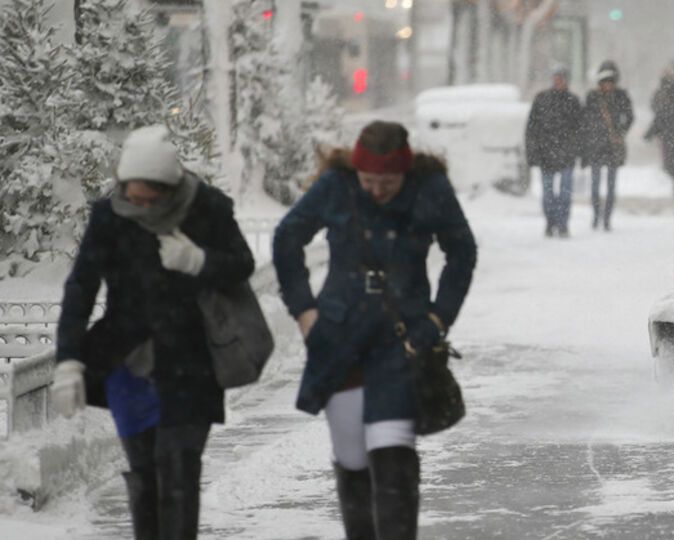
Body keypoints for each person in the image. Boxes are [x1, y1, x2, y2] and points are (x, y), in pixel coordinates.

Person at [272, 121, 477, 539]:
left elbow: (462, 251)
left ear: (405, 171)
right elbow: (286, 238)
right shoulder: (336, 185)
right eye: (368, 180)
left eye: (387, 182)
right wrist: (306, 314)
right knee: (352, 461)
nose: (376, 191)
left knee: (394, 457)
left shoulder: (429, 188)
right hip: (339, 338)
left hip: (403, 340)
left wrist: (439, 319)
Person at [51, 125, 255, 539]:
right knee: (145, 476)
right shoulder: (109, 215)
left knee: (179, 472)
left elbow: (242, 264)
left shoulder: (207, 208)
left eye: (150, 199)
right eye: (132, 196)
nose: (140, 206)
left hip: (193, 361)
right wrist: (69, 360)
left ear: (171, 187)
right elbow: (81, 285)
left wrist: (199, 260)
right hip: (129, 362)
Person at [525, 65, 582, 238]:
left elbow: (581, 129)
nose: (559, 82)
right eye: (556, 78)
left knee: (564, 194)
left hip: (566, 155)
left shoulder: (573, 101)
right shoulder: (541, 99)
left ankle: (563, 224)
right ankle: (550, 222)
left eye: (562, 78)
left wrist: (578, 150)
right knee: (548, 194)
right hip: (546, 154)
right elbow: (532, 128)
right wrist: (532, 152)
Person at [582, 60, 634, 231]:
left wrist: (621, 132)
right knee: (596, 185)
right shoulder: (592, 97)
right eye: (605, 81)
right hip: (596, 146)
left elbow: (630, 116)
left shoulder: (621, 96)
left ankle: (607, 218)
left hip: (612, 147)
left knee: (611, 186)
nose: (607, 85)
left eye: (610, 81)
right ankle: (597, 214)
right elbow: (585, 120)